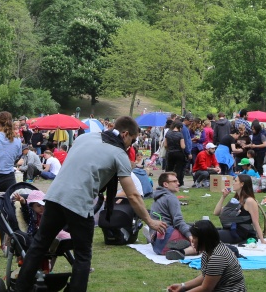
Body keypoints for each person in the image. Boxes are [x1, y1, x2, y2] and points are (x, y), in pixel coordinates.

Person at [15, 116, 166, 292]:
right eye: (131, 141)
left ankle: (20, 288)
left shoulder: (84, 137)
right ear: (125, 134)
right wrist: (150, 221)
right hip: (79, 203)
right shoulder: (119, 154)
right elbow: (133, 194)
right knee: (83, 256)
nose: (130, 146)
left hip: (55, 196)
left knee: (39, 246)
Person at [166, 220, 247, 292]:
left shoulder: (218, 257)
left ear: (204, 239)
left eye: (194, 237)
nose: (192, 240)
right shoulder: (209, 250)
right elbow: (206, 276)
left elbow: (206, 288)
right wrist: (183, 286)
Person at [213, 174, 266, 246]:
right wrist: (223, 197)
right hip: (230, 229)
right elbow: (216, 212)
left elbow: (255, 222)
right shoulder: (236, 200)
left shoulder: (249, 201)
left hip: (240, 234)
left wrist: (262, 240)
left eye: (235, 181)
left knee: (210, 235)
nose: (233, 183)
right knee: (206, 231)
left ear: (242, 184)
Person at [150, 172, 196, 259]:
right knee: (204, 240)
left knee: (191, 226)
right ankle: (181, 252)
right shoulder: (171, 198)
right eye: (174, 181)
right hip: (168, 237)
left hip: (156, 244)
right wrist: (190, 235)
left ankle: (177, 246)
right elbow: (178, 221)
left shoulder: (157, 197)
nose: (178, 183)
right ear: (165, 184)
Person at [164, 121, 187, 186]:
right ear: (179, 127)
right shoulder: (180, 134)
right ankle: (177, 183)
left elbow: (165, 145)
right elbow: (183, 146)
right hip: (179, 153)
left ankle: (167, 182)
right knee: (178, 169)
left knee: (169, 169)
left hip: (170, 153)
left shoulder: (168, 133)